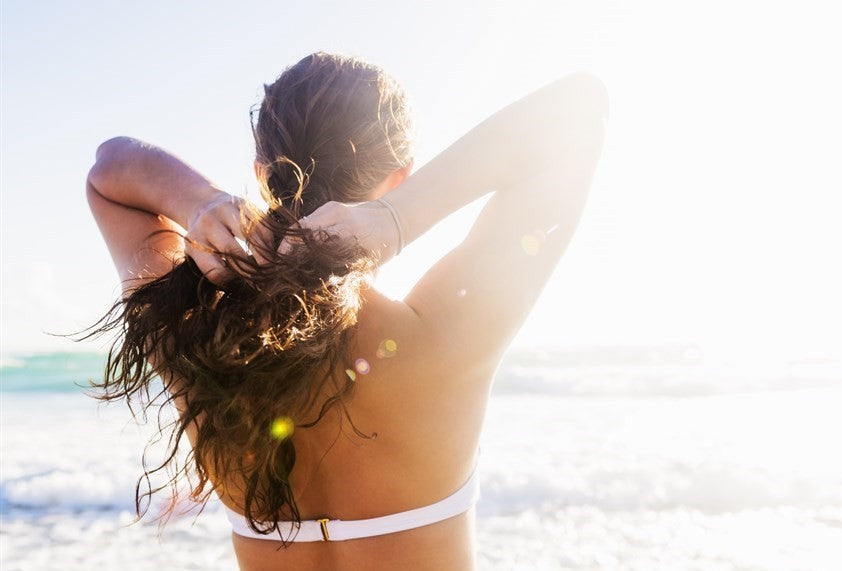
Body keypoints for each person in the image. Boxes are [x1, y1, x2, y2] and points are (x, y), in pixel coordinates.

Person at [83, 52, 606, 571]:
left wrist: (200, 201)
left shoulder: (191, 339)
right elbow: (579, 108)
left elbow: (110, 168)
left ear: (262, 174)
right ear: (399, 177)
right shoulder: (442, 340)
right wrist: (396, 218)